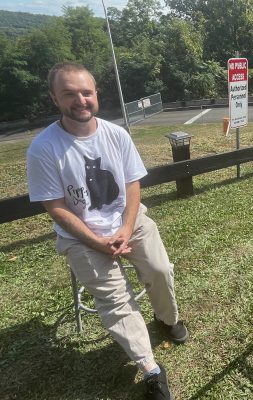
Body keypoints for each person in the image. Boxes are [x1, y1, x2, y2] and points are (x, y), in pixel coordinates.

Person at [26, 62, 188, 400]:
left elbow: (132, 185)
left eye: (86, 92)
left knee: (160, 269)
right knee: (116, 299)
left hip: (128, 221)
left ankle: (166, 318)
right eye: (69, 93)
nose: (80, 100)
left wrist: (126, 229)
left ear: (96, 94)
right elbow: (54, 207)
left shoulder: (116, 135)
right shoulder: (43, 148)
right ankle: (151, 369)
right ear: (55, 98)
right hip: (80, 236)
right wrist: (96, 241)